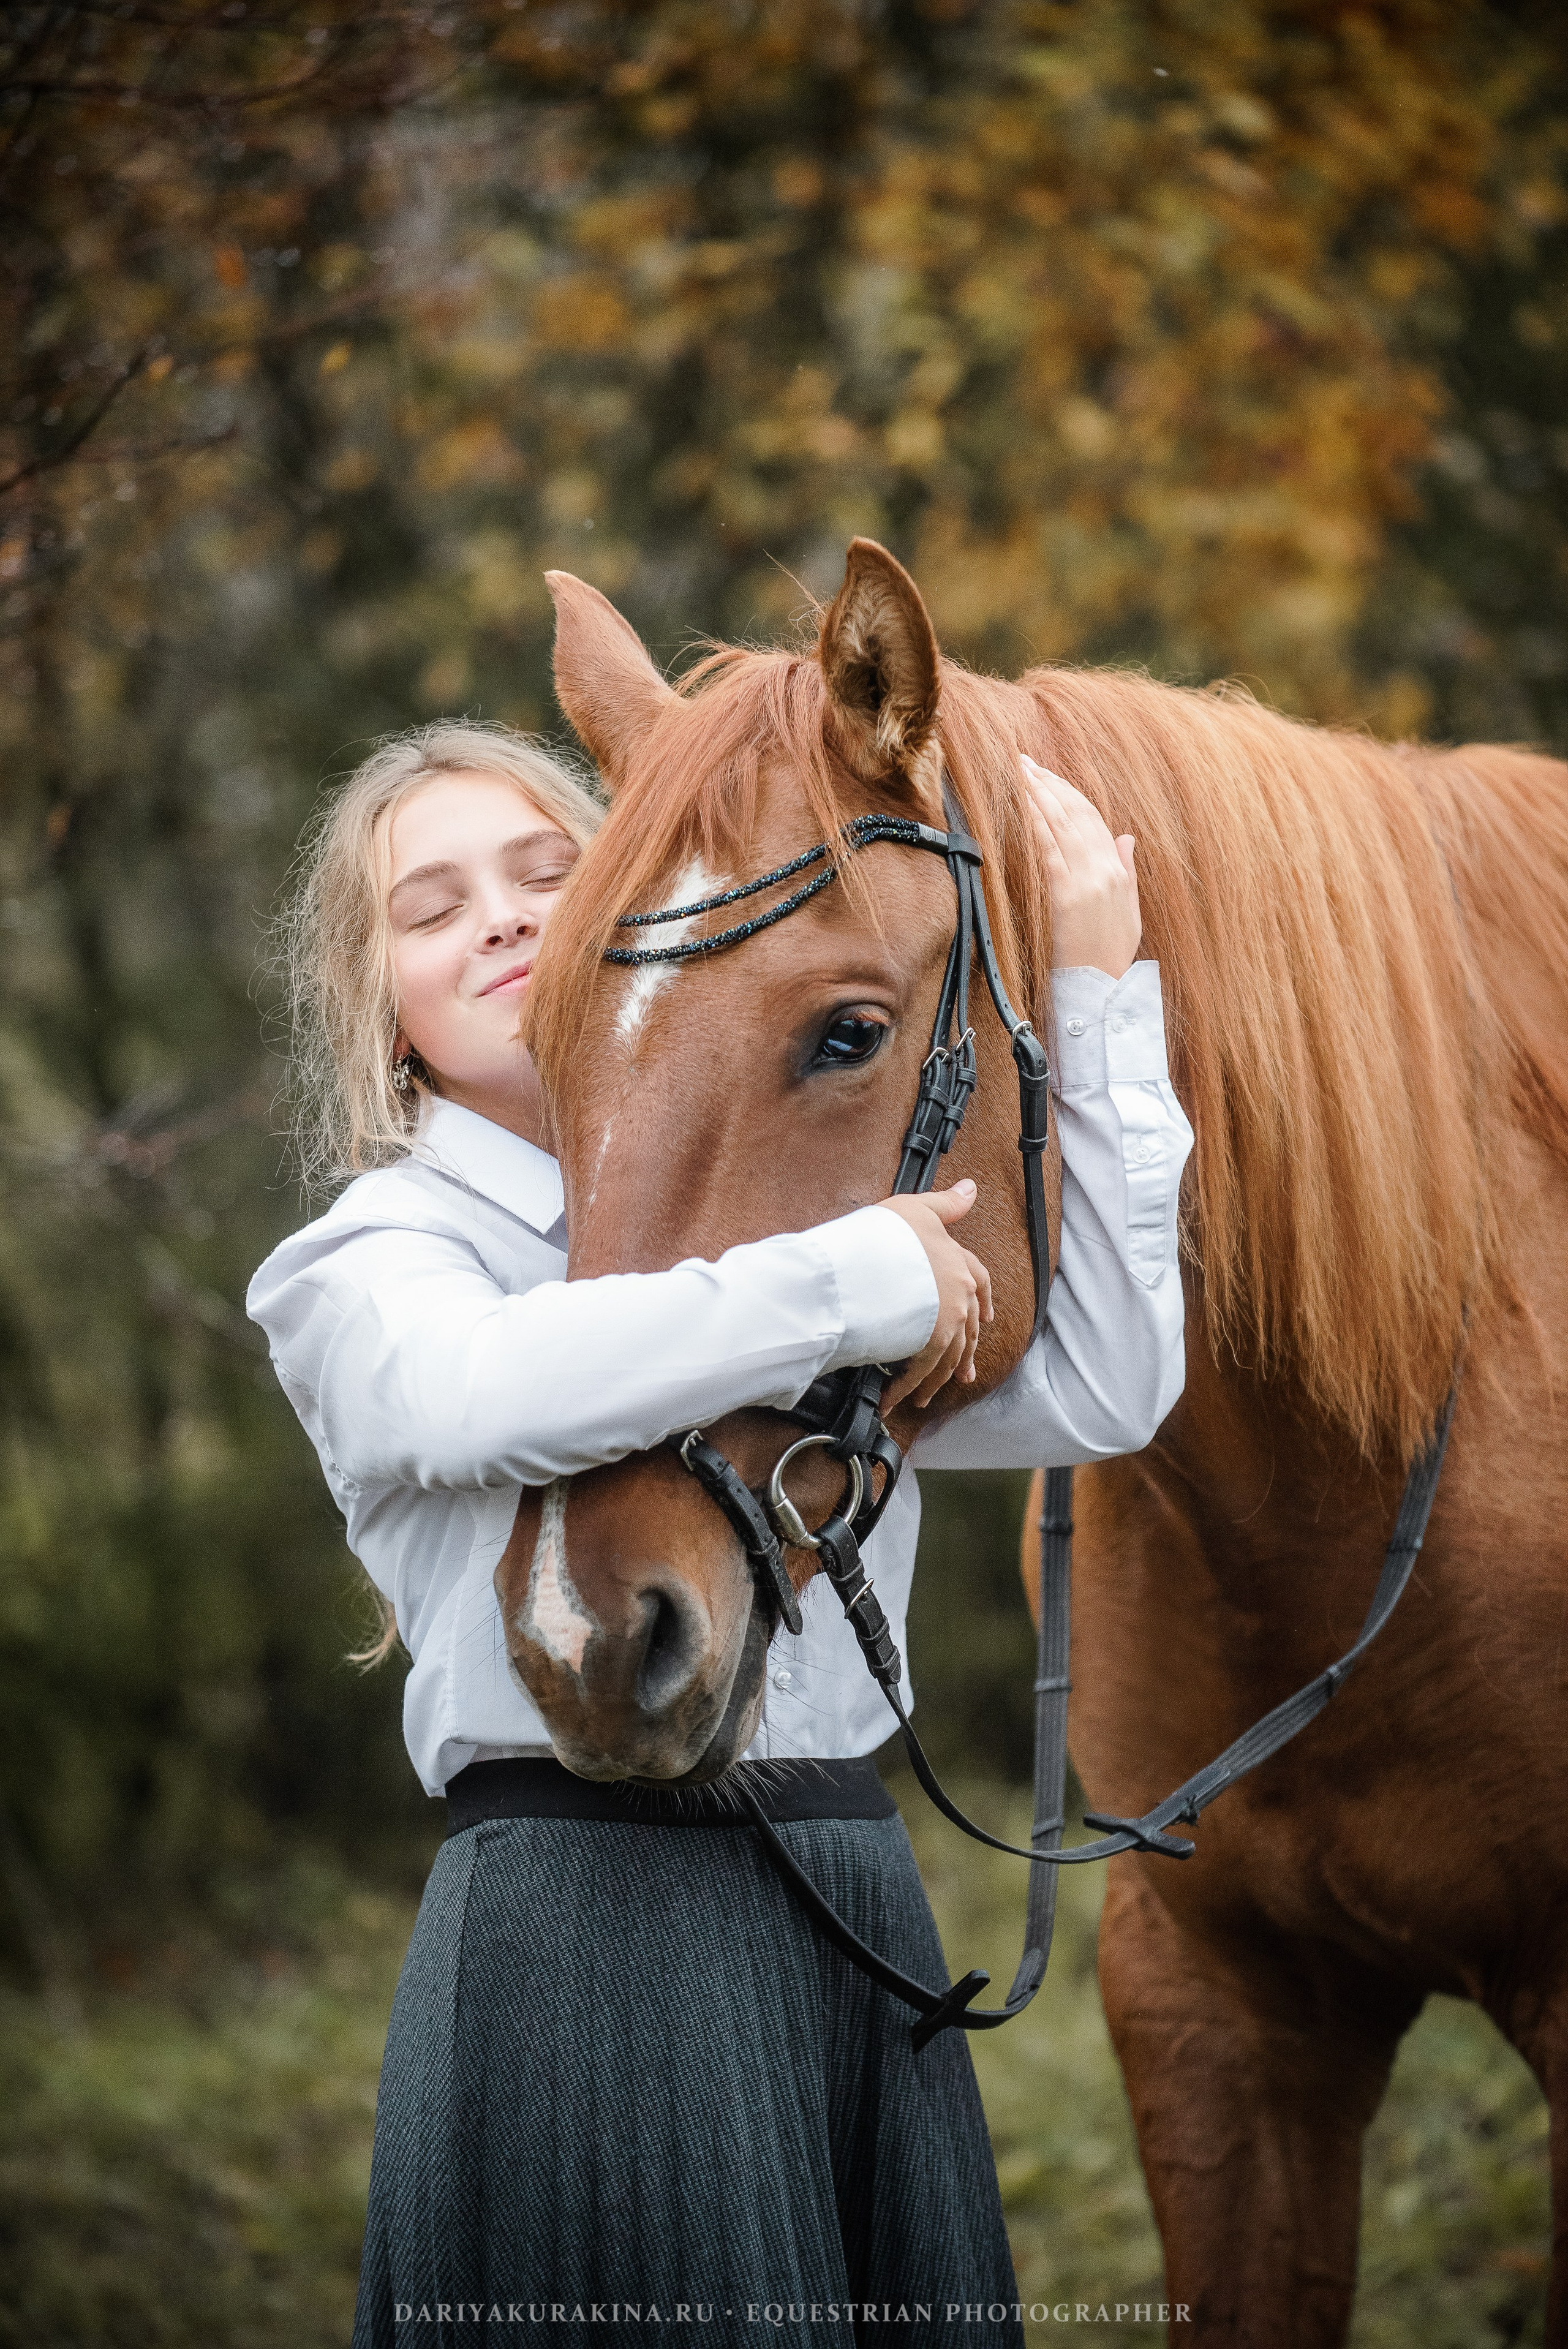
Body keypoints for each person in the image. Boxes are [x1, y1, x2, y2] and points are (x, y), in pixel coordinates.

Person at [249, 719, 1192, 2349]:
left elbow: (1105, 1384)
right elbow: (488, 1393)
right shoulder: (367, 1259)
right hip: (575, 1914)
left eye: (550, 869)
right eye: (431, 904)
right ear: (379, 1007)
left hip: (848, 1893)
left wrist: (1105, 998)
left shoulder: (798, 1216)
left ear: (640, 909)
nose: (500, 915)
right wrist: (857, 1281)